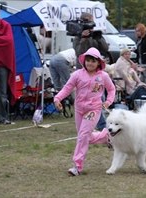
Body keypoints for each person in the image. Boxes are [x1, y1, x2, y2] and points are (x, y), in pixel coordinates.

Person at [53, 47, 116, 176]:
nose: (90, 63)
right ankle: (106, 136)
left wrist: (108, 102)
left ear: (98, 62)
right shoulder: (77, 75)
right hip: (79, 109)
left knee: (83, 135)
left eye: (93, 61)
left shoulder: (103, 76)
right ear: (84, 61)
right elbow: (67, 88)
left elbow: (111, 89)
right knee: (85, 136)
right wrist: (57, 98)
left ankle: (77, 166)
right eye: (88, 60)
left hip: (94, 109)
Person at [73, 12, 110, 130]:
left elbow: (105, 49)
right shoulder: (78, 36)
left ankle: (101, 124)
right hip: (83, 72)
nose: (90, 24)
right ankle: (86, 122)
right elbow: (79, 52)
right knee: (84, 97)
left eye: (91, 21)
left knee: (99, 96)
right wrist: (84, 38)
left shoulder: (95, 34)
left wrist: (98, 38)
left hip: (96, 71)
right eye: (88, 21)